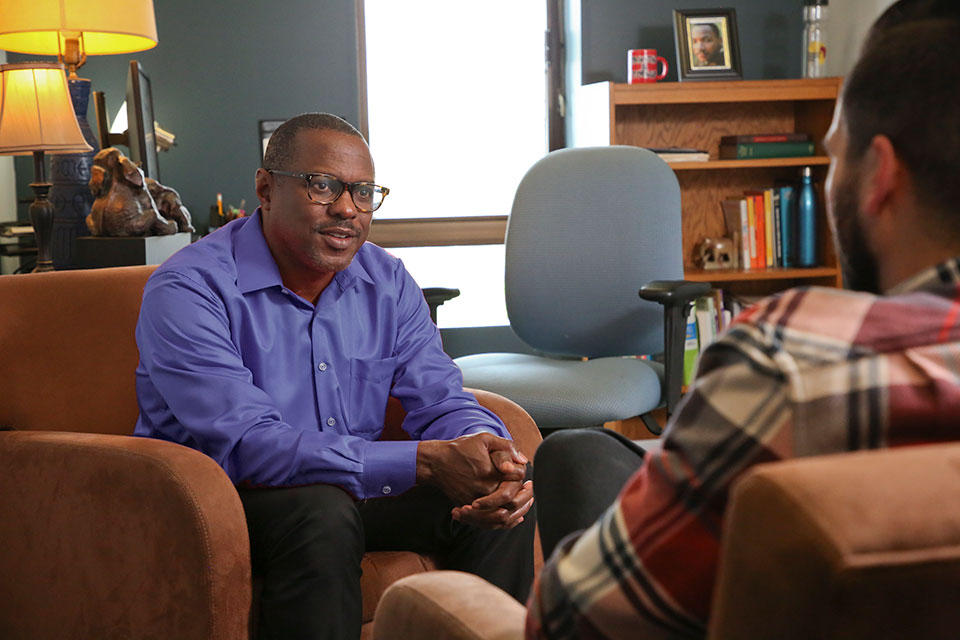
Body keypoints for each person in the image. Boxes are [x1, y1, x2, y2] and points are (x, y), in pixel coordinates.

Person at [526, 12, 960, 640]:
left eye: (835, 154)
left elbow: (567, 621)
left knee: (571, 470)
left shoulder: (789, 357)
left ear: (881, 176)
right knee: (581, 453)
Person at [134, 113, 536, 639]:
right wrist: (421, 462)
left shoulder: (386, 280)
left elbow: (440, 398)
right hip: (225, 501)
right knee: (321, 513)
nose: (347, 208)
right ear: (265, 188)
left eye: (364, 191)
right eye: (322, 186)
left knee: (495, 496)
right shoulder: (189, 290)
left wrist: (489, 451)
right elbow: (249, 443)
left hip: (348, 491)